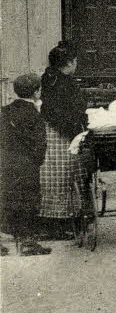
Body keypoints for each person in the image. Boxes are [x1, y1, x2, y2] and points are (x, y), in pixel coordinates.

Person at [36, 42, 87, 241]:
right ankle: (64, 221)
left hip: (49, 132)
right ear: (69, 63)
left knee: (50, 178)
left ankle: (51, 220)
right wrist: (78, 129)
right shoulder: (65, 83)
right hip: (63, 133)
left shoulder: (47, 78)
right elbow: (67, 112)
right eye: (75, 61)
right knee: (65, 176)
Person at [2, 74, 50, 256]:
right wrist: (37, 162)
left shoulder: (4, 111)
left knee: (6, 198)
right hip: (27, 165)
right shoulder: (34, 115)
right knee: (29, 201)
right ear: (37, 92)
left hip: (5, 163)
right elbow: (40, 143)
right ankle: (28, 243)